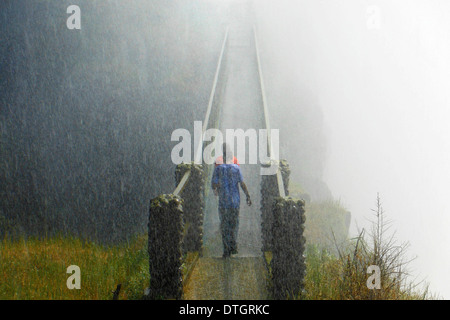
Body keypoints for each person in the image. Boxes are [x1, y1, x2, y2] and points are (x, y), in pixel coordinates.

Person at [211, 143, 251, 258]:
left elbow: (214, 184)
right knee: (234, 223)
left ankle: (226, 249)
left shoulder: (218, 169)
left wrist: (218, 187)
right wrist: (248, 195)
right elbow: (242, 183)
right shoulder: (236, 168)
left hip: (223, 202)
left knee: (224, 225)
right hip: (234, 202)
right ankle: (233, 243)